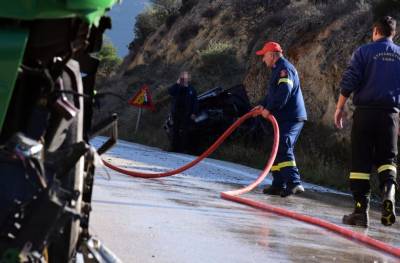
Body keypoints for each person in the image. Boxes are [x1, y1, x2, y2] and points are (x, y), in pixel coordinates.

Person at [334, 16, 400, 228]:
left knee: (360, 163)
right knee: (387, 160)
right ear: (394, 34)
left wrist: (339, 107)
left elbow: (350, 79)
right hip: (391, 115)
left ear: (375, 31)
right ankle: (388, 194)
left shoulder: (364, 52)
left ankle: (360, 213)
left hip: (365, 113)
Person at [254, 41, 308, 197]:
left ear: (272, 55)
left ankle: (294, 183)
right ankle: (278, 185)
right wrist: (261, 106)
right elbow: (272, 95)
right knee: (277, 148)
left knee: (283, 144)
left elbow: (284, 92)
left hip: (292, 117)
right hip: (284, 117)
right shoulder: (278, 69)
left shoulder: (284, 69)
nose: (263, 59)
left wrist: (269, 109)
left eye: (264, 56)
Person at [168, 71, 198, 152]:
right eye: (183, 77)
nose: (185, 78)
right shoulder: (177, 87)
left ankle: (182, 149)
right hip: (176, 112)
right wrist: (176, 84)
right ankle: (173, 148)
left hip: (186, 113)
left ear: (189, 79)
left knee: (185, 131)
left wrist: (194, 112)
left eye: (186, 77)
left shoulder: (192, 89)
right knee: (175, 130)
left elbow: (195, 102)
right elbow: (170, 92)